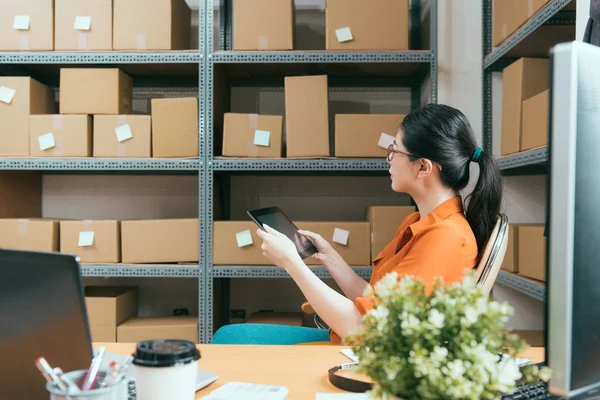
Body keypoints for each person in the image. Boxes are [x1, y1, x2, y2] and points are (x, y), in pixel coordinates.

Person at [256, 104, 503, 343]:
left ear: (423, 167)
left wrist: (292, 263)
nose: (389, 159)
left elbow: (363, 328)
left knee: (231, 336)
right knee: (231, 334)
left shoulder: (445, 238)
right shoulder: (418, 222)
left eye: (395, 151)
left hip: (369, 354)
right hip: (360, 342)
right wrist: (330, 258)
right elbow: (374, 301)